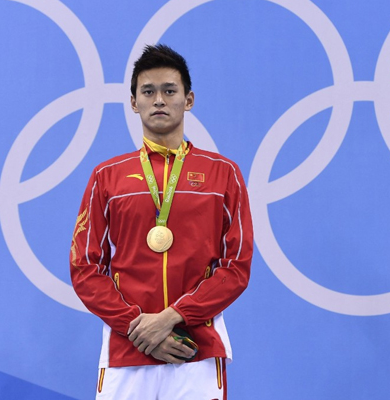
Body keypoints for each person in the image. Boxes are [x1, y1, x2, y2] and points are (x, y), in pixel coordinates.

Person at [70, 44, 253, 400]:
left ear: (189, 99)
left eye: (169, 90)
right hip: (126, 352)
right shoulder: (106, 177)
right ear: (134, 102)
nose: (159, 100)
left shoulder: (223, 174)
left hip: (195, 349)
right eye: (148, 91)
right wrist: (137, 328)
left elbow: (236, 268)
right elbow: (85, 267)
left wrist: (171, 317)